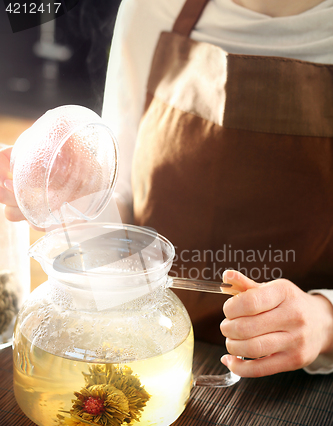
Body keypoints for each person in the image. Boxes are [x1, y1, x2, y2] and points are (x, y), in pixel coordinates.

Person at [1, 0, 333, 377]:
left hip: (304, 382)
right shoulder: (153, 6)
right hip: (147, 351)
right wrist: (67, 193)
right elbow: (118, 196)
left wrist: (324, 321)